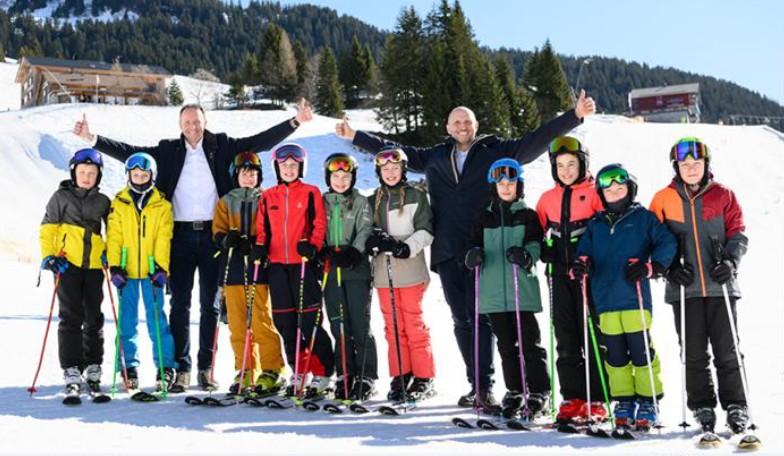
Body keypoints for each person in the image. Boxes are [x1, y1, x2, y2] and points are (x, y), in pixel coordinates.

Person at [335, 91, 596, 410]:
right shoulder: (434, 155)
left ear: (476, 125)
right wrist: (354, 135)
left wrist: (574, 116)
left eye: (467, 121)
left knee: (485, 320)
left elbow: (535, 140)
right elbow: (394, 153)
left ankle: (496, 387)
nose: (461, 126)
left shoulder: (495, 149)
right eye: (456, 121)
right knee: (462, 321)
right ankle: (477, 384)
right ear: (447, 127)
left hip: (484, 248)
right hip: (447, 250)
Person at [73, 100, 312, 392]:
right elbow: (129, 152)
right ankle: (181, 368)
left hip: (215, 235)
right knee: (180, 304)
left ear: (205, 121)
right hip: (180, 236)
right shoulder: (168, 150)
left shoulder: (223, 145)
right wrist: (92, 139)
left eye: (197, 121)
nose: (192, 127)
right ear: (180, 125)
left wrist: (295, 122)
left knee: (210, 305)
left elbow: (259, 142)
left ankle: (205, 369)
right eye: (187, 122)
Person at [649, 137, 750, 434]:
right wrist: (669, 268)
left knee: (727, 350)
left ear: (706, 164)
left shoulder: (723, 195)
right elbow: (653, 240)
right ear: (676, 167)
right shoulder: (663, 199)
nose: (691, 169)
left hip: (721, 286)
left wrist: (731, 262)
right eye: (684, 164)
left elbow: (738, 233)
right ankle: (702, 406)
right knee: (693, 352)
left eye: (696, 163)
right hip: (685, 289)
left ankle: (736, 405)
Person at [573, 163, 676, 429]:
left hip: (634, 298)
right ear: (601, 194)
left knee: (641, 352)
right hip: (604, 301)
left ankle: (648, 400)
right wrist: (582, 264)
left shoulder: (644, 218)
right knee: (615, 356)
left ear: (630, 189)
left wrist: (652, 266)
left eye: (620, 186)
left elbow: (667, 242)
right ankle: (624, 401)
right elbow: (584, 252)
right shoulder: (595, 224)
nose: (615, 191)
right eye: (609, 188)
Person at [464, 159, 549, 419]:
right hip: (493, 294)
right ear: (494, 187)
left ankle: (539, 391)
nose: (506, 187)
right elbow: (471, 245)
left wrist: (526, 256)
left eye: (511, 183)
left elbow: (537, 245)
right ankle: (514, 389)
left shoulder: (528, 215)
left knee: (529, 344)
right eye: (501, 184)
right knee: (506, 346)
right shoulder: (484, 216)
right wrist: (472, 256)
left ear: (519, 185)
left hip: (519, 290)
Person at [251, 143, 335, 399]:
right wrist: (260, 248)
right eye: (284, 165)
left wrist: (313, 246)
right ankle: (299, 370)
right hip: (277, 266)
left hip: (303, 265)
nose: (288, 169)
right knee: (285, 321)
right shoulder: (268, 196)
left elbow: (319, 223)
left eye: (293, 165)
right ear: (277, 168)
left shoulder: (311, 193)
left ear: (301, 167)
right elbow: (263, 228)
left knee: (309, 319)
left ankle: (323, 373)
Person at [535, 136, 608, 423]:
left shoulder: (594, 194)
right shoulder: (547, 198)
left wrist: (587, 258)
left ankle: (597, 398)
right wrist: (542, 249)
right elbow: (536, 231)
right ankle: (572, 397)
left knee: (591, 334)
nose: (566, 170)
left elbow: (604, 231)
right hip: (557, 276)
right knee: (565, 336)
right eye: (560, 165)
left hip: (587, 275)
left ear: (583, 164)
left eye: (572, 164)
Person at [212, 151, 285, 396]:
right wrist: (226, 240)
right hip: (232, 268)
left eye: (253, 173)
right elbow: (217, 231)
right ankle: (245, 369)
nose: (248, 177)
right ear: (236, 176)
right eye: (244, 173)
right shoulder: (226, 201)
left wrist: (257, 245)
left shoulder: (267, 198)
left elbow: (274, 228)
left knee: (260, 319)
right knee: (237, 323)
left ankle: (272, 368)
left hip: (257, 266)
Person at [365, 147, 436, 402]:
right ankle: (401, 375)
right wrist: (373, 240)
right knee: (392, 327)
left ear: (403, 170)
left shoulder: (416, 195)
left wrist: (403, 247)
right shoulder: (373, 199)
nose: (391, 173)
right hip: (384, 274)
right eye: (385, 169)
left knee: (413, 323)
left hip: (410, 270)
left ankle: (424, 376)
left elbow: (426, 230)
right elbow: (366, 232)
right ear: (379, 172)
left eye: (395, 168)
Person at [39, 148, 111, 394]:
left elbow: (114, 231)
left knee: (93, 316)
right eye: (82, 172)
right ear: (73, 172)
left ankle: (93, 363)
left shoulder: (103, 201)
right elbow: (47, 228)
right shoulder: (60, 197)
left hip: (93, 266)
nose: (87, 177)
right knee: (71, 316)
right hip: (66, 265)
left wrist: (108, 252)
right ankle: (71, 366)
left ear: (98, 176)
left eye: (92, 173)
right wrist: (48, 256)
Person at [106, 152, 177, 392]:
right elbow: (114, 237)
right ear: (128, 176)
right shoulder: (119, 203)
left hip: (150, 273)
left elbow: (163, 238)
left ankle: (165, 367)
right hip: (126, 273)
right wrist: (115, 266)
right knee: (127, 322)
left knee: (157, 321)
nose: (139, 179)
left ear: (152, 176)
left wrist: (161, 268)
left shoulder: (162, 205)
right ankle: (129, 367)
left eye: (144, 175)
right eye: (135, 175)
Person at [320, 153, 379, 401]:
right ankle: (345, 373)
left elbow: (365, 227)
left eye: (346, 176)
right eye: (336, 176)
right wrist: (320, 249)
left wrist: (355, 250)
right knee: (338, 324)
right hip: (330, 272)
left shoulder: (361, 201)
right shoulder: (321, 201)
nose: (341, 181)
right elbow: (315, 227)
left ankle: (366, 375)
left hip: (355, 268)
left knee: (359, 324)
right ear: (328, 178)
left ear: (353, 178)